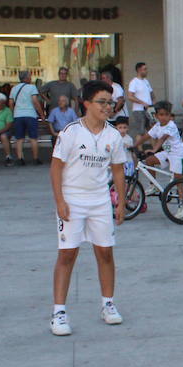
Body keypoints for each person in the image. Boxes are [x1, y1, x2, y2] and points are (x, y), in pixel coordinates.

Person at [49, 80, 127, 337]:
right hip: (72, 199)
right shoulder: (71, 132)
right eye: (102, 102)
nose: (108, 107)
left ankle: (108, 304)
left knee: (105, 252)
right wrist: (60, 200)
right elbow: (56, 167)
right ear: (87, 104)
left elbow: (117, 170)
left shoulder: (113, 135)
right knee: (67, 254)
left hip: (100, 200)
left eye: (110, 102)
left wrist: (121, 202)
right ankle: (59, 312)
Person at [140, 101, 183, 178]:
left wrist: (154, 150)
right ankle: (153, 186)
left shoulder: (171, 125)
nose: (164, 117)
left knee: (178, 180)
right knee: (149, 160)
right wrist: (134, 145)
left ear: (170, 115)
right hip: (167, 153)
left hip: (178, 154)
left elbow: (163, 138)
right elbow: (146, 136)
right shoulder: (157, 125)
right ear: (156, 116)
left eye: (167, 114)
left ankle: (182, 189)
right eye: (161, 115)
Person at [8, 69, 45, 166]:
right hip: (30, 115)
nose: (31, 77)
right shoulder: (32, 88)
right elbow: (35, 102)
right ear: (27, 78)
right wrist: (41, 114)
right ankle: (35, 158)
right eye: (30, 76)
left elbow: (11, 103)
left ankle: (20, 158)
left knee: (19, 138)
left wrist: (13, 113)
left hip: (18, 116)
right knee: (33, 138)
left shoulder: (14, 88)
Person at [126, 61, 154, 132]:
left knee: (151, 131)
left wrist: (153, 104)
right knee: (141, 132)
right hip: (139, 110)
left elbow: (151, 94)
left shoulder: (146, 81)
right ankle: (139, 143)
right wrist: (143, 103)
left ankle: (154, 143)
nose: (146, 71)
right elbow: (130, 96)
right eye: (145, 69)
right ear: (139, 70)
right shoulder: (134, 82)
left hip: (149, 110)